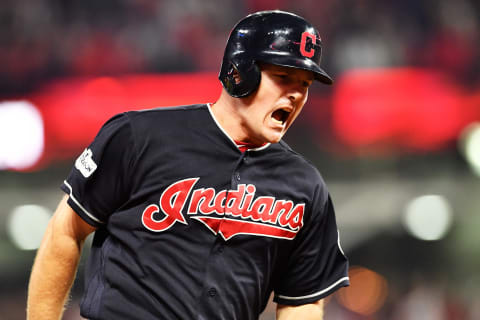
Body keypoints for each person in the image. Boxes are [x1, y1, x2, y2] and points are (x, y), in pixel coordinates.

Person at [27, 10, 349, 320]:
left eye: (305, 84)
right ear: (239, 72)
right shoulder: (140, 137)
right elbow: (66, 231)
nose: (296, 95)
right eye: (283, 77)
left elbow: (302, 300)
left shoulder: (304, 185)